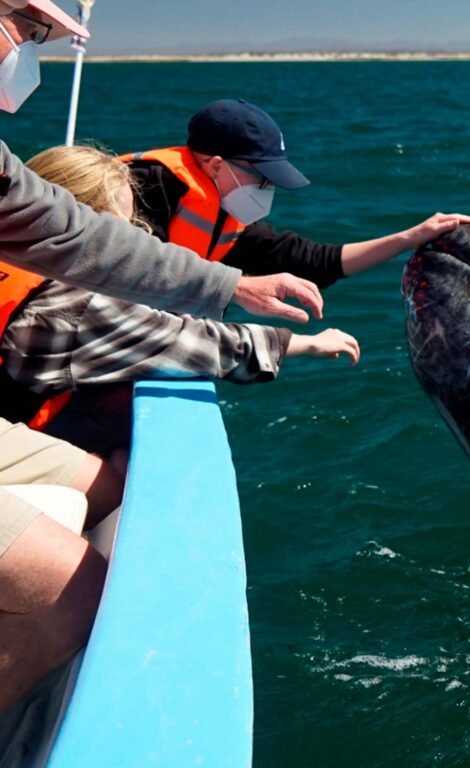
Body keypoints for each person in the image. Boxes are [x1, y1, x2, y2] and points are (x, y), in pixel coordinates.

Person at [0, 0, 319, 714]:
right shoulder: (68, 306)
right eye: (29, 30)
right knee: (73, 592)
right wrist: (287, 335)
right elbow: (182, 339)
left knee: (111, 483)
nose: (28, 55)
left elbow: (81, 241)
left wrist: (232, 284)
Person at [2, 145, 362, 462]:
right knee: (112, 486)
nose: (131, 238)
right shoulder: (73, 306)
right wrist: (306, 343)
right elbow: (185, 342)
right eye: (116, 229)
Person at [125, 98, 470, 286]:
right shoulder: (146, 185)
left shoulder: (227, 221)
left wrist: (410, 237)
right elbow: (130, 268)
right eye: (261, 177)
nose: (268, 188)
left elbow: (318, 261)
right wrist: (240, 290)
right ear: (217, 166)